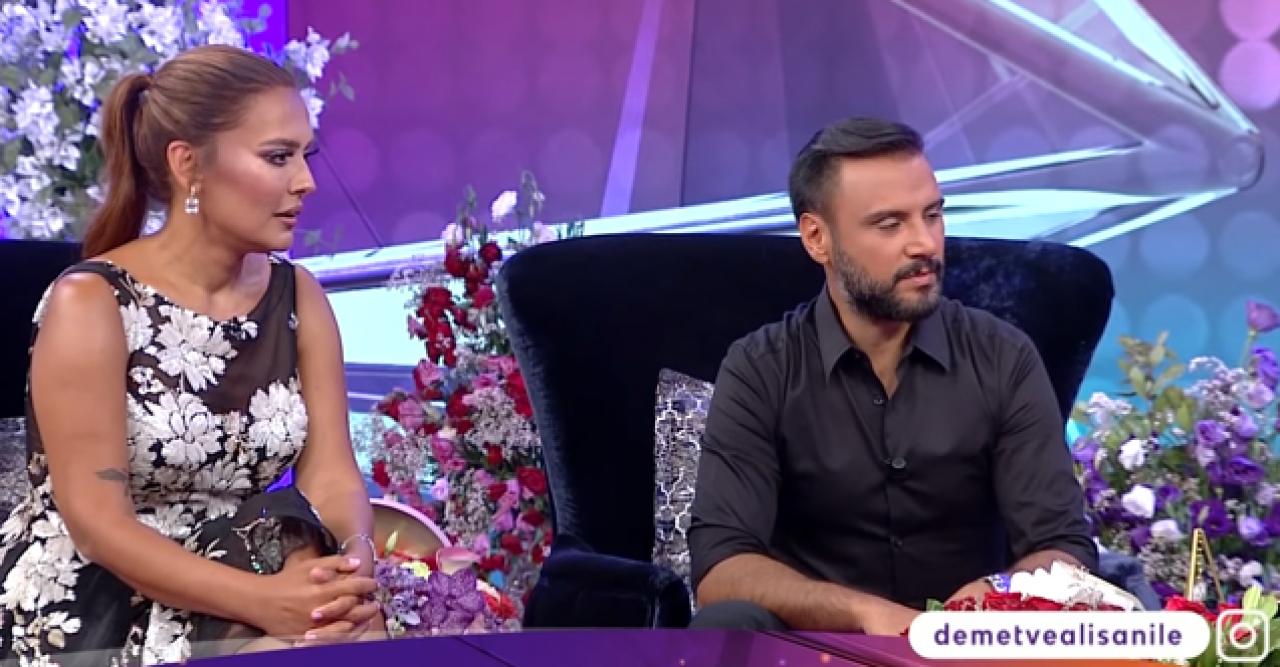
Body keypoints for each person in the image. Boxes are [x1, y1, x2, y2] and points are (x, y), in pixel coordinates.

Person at [0, 45, 384, 665]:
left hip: (241, 562)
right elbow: (98, 526)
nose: (305, 182)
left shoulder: (300, 296)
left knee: (351, 631)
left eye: (305, 156)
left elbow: (333, 476)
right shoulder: (92, 303)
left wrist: (353, 561)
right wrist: (266, 602)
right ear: (188, 165)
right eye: (278, 157)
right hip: (99, 596)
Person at [687, 117, 1097, 634]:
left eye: (932, 215)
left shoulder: (1002, 356)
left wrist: (996, 595)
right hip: (816, 649)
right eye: (889, 224)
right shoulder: (761, 368)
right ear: (817, 238)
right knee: (726, 622)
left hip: (968, 646)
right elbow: (722, 567)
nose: (924, 243)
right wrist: (868, 614)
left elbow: (1064, 547)